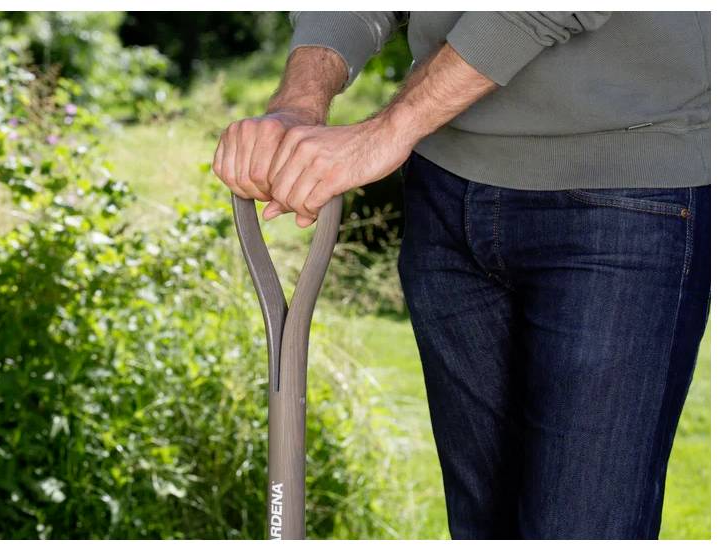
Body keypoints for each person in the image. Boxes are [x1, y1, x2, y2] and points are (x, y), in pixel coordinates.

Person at [213, 11, 711, 539]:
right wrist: (299, 101)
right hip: (447, 188)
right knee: (482, 530)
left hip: (625, 186)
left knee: (581, 528)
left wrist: (388, 130)